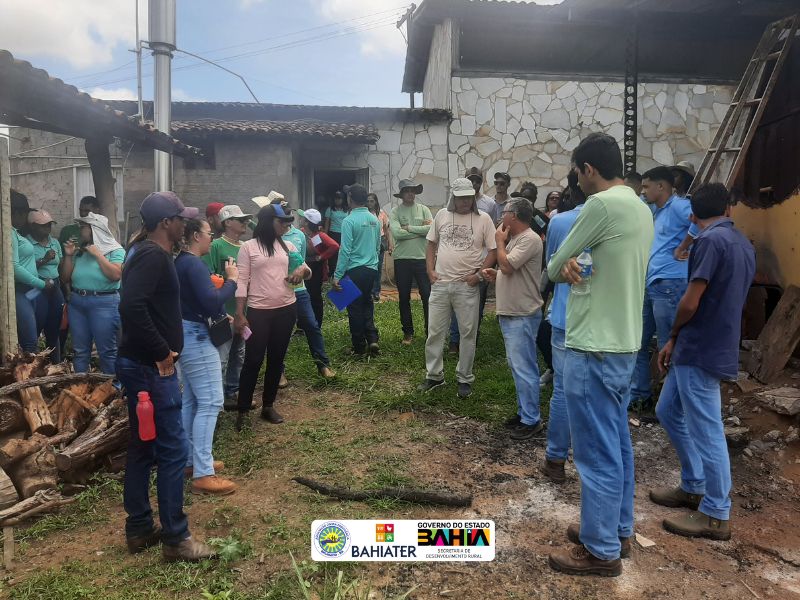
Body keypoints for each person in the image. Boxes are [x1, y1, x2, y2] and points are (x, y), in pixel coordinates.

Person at [546, 133, 653, 577]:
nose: (576, 180)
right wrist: (576, 263)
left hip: (593, 345)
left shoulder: (601, 206)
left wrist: (564, 265)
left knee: (594, 452)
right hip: (625, 342)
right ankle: (617, 530)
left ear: (588, 169)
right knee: (617, 443)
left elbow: (555, 265)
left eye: (577, 171)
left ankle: (600, 549)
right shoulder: (641, 206)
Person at [651, 183, 754, 541]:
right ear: (728, 208)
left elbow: (691, 301)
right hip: (704, 344)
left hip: (701, 347)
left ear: (693, 215)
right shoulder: (741, 241)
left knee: (707, 429)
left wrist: (674, 331)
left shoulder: (709, 242)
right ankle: (693, 485)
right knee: (667, 411)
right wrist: (676, 341)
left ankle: (715, 513)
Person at [117, 191, 215, 562]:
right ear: (165, 224)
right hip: (150, 368)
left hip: (138, 364)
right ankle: (177, 538)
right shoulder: (154, 255)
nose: (185, 225)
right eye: (180, 219)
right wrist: (161, 352)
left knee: (144, 446)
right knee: (173, 450)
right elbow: (130, 306)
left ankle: (140, 528)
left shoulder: (142, 251)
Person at [174, 219, 239, 496]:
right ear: (196, 235)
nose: (211, 239)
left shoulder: (181, 263)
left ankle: (191, 461)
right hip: (197, 338)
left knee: (192, 399)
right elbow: (211, 301)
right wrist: (232, 281)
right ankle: (203, 473)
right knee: (211, 401)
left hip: (185, 332)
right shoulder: (193, 264)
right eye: (209, 234)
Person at [418, 177, 497, 399]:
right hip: (441, 283)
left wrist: (479, 275)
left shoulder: (484, 219)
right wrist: (430, 270)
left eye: (468, 197)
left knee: (467, 332)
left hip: (466, 284)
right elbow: (431, 243)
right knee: (435, 331)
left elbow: (492, 250)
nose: (465, 202)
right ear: (454, 197)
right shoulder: (442, 215)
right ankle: (434, 376)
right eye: (461, 198)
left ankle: (465, 377)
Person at [235, 204, 309, 426]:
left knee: (276, 359)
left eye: (288, 221)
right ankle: (243, 410)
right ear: (268, 222)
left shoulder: (287, 247)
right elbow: (241, 281)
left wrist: (299, 271)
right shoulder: (248, 248)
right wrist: (239, 313)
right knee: (253, 360)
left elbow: (306, 268)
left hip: (286, 309)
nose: (287, 225)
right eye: (282, 221)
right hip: (259, 312)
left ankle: (268, 405)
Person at [481, 197, 544, 440]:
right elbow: (510, 271)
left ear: (514, 216)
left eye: (505, 211)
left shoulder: (528, 238)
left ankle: (532, 420)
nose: (501, 215)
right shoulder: (518, 239)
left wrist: (498, 243)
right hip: (513, 312)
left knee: (524, 367)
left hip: (522, 314)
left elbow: (508, 266)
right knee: (517, 366)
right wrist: (496, 274)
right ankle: (524, 413)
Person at [631, 166, 693, 410]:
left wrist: (683, 247)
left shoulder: (679, 206)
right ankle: (640, 396)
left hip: (670, 283)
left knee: (668, 344)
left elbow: (699, 224)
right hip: (652, 283)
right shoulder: (656, 210)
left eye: (646, 186)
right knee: (639, 341)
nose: (643, 191)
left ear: (661, 187)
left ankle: (671, 405)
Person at [540, 170, 586, 483]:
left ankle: (556, 459)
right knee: (595, 391)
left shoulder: (560, 222)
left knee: (563, 389)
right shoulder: (631, 214)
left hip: (565, 315)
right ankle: (588, 459)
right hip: (606, 321)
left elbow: (552, 269)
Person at [276, 200, 335, 380]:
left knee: (312, 325)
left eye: (289, 215)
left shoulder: (299, 236)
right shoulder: (269, 237)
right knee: (280, 332)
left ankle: (323, 364)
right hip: (278, 289)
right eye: (283, 215)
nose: (289, 219)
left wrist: (316, 260)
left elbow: (302, 261)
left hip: (300, 288)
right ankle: (279, 371)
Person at [60, 212, 125, 374]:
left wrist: (98, 255)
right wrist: (68, 256)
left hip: (104, 303)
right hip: (77, 302)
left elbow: (115, 275)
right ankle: (81, 387)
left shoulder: (116, 250)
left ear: (95, 229)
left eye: (83, 227)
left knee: (107, 351)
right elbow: (65, 277)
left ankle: (111, 389)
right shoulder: (81, 251)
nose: (80, 231)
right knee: (80, 351)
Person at [202, 205, 252, 408]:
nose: (245, 223)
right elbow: (208, 277)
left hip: (244, 311)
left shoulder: (246, 246)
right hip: (224, 313)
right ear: (227, 222)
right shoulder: (216, 246)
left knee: (239, 354)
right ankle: (218, 398)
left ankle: (233, 391)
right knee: (222, 357)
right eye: (240, 219)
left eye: (245, 219)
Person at [448, 168, 496, 352]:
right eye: (471, 180)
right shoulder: (452, 207)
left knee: (478, 303)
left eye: (478, 180)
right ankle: (454, 339)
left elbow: (489, 234)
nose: (475, 184)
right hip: (458, 264)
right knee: (456, 303)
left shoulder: (489, 204)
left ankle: (471, 338)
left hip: (480, 262)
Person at [332, 184, 382, 356]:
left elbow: (345, 250)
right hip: (371, 270)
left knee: (354, 308)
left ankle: (359, 347)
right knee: (367, 303)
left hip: (354, 270)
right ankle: (373, 339)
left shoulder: (349, 220)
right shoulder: (375, 219)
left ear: (350, 198)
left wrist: (337, 275)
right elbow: (377, 247)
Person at [389, 179, 433, 345]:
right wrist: (419, 231)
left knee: (427, 296)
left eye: (413, 190)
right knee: (404, 297)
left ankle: (430, 333)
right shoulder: (395, 212)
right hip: (402, 259)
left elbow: (431, 229)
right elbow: (397, 234)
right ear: (401, 194)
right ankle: (408, 333)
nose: (410, 193)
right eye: (407, 190)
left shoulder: (424, 209)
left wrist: (409, 228)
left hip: (422, 258)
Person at [11, 190, 50, 353]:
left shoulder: (15, 232)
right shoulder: (9, 233)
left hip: (30, 291)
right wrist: (41, 283)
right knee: (29, 343)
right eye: (25, 214)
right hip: (20, 291)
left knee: (30, 337)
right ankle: (26, 377)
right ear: (17, 213)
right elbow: (14, 267)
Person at [28, 210, 64, 362]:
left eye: (49, 225)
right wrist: (44, 259)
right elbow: (24, 268)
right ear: (33, 226)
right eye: (43, 226)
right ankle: (33, 363)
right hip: (38, 286)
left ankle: (55, 363)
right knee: (38, 322)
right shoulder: (27, 243)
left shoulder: (54, 242)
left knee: (55, 325)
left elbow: (60, 264)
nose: (47, 228)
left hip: (55, 285)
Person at [297, 208, 339, 328]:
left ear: (307, 222)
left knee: (314, 296)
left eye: (303, 219)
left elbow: (334, 246)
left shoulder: (319, 236)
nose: (300, 220)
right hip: (304, 266)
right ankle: (302, 325)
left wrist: (321, 256)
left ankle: (317, 324)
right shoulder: (302, 232)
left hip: (316, 269)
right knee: (303, 294)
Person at [367, 193, 393, 302]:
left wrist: (390, 244)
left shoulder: (381, 213)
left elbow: (386, 230)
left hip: (380, 241)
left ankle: (376, 292)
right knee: (368, 268)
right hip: (368, 242)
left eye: (372, 201)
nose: (369, 203)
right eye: (367, 201)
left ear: (376, 202)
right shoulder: (364, 214)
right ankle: (368, 291)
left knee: (377, 268)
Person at [324, 190, 348, 275]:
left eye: (339, 198)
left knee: (342, 253)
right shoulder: (330, 209)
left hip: (344, 234)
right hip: (333, 234)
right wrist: (325, 236)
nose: (337, 200)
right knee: (333, 253)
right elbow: (327, 223)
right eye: (336, 199)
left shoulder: (347, 210)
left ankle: (342, 273)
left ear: (343, 199)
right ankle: (331, 273)